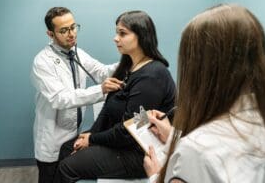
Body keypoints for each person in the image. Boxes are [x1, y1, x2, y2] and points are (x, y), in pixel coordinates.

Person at [143, 4, 265, 183]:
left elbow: (207, 153)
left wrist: (155, 176)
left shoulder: (195, 152)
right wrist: (173, 135)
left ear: (198, 71)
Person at [53, 10, 176, 182]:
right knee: (67, 148)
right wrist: (90, 136)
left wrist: (93, 139)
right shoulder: (128, 67)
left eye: (122, 33)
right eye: (116, 32)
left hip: (138, 151)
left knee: (67, 166)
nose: (115, 38)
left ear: (141, 35)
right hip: (122, 140)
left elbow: (131, 129)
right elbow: (107, 110)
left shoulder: (152, 75)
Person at [31, 7, 120, 183]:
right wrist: (100, 90)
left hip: (71, 134)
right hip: (52, 139)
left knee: (66, 178)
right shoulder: (42, 62)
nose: (71, 34)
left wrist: (128, 61)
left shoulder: (77, 53)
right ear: (50, 34)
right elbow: (61, 98)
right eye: (63, 31)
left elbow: (101, 71)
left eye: (73, 27)